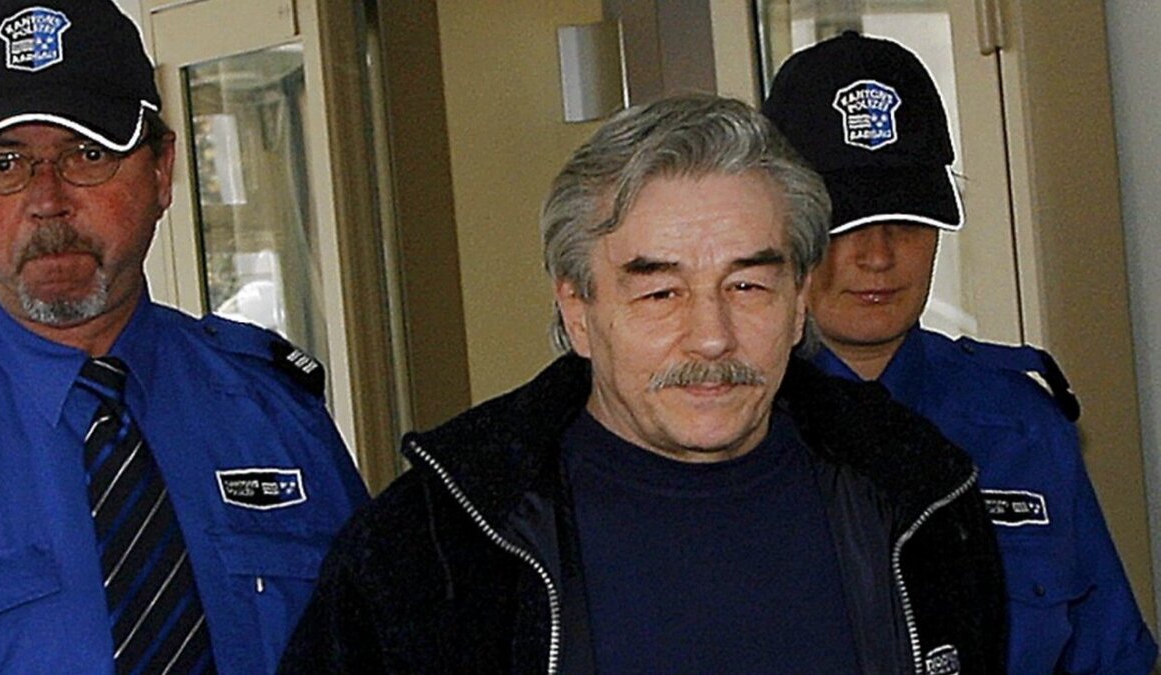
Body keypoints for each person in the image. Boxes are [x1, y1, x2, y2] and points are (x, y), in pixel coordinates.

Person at [279, 93, 1005, 674]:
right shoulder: (435, 547)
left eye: (748, 285)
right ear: (578, 310)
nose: (712, 335)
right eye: (660, 293)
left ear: (798, 302)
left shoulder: (921, 497)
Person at [0, 1, 368, 672]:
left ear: (161, 170)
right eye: (4, 165)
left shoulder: (274, 413)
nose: (47, 199)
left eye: (88, 154)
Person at [762, 31, 1158, 674]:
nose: (878, 255)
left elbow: (1107, 655)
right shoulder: (733, 428)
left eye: (906, 221)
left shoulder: (1019, 424)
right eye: (844, 225)